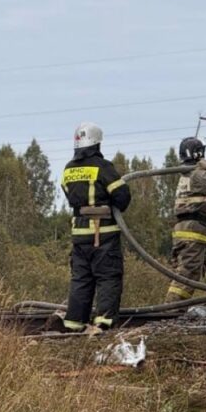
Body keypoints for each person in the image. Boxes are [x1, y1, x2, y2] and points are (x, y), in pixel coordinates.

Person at [61, 122, 132, 332]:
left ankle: (74, 324)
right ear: (97, 143)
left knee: (81, 279)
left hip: (79, 235)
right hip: (104, 235)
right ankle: (104, 323)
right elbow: (122, 197)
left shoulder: (68, 169)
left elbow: (69, 194)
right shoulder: (103, 167)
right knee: (108, 277)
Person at [165, 137, 206, 300]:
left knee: (189, 272)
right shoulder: (197, 174)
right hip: (192, 230)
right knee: (187, 274)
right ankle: (170, 308)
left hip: (188, 229)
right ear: (198, 153)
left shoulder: (188, 175)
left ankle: (177, 307)